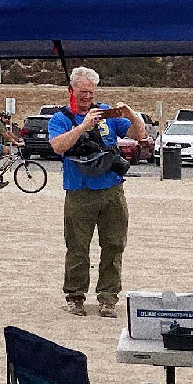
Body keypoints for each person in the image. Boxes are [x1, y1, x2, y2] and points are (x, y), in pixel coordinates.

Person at [48, 67, 147, 319]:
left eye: (91, 92)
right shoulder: (61, 118)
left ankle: (108, 298)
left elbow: (139, 134)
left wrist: (131, 115)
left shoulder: (107, 114)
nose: (87, 97)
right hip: (79, 191)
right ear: (72, 91)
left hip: (112, 189)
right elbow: (58, 147)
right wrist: (83, 126)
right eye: (82, 92)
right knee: (77, 246)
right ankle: (75, 296)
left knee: (114, 245)